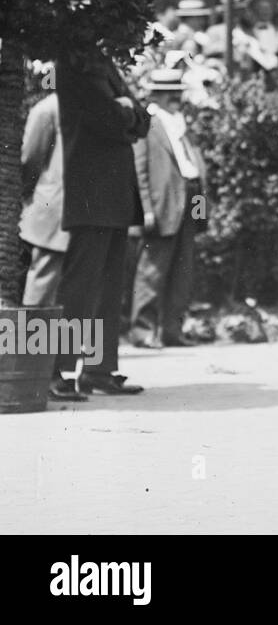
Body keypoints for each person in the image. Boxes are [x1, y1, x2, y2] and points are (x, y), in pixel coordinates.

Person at [53, 50, 153, 399]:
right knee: (80, 290)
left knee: (106, 288)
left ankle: (97, 369)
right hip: (92, 194)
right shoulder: (75, 62)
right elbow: (112, 118)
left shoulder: (97, 61)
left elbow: (143, 119)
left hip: (110, 194)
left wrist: (127, 110)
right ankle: (58, 371)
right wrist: (127, 109)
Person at [128, 68, 206, 349]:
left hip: (190, 198)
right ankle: (143, 331)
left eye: (178, 91)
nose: (175, 97)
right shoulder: (147, 123)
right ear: (156, 95)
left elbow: (194, 166)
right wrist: (145, 209)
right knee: (152, 270)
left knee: (183, 270)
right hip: (162, 204)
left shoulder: (181, 123)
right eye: (168, 92)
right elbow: (139, 171)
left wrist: (201, 212)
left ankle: (172, 330)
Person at [19, 90, 68, 308]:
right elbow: (31, 159)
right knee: (45, 279)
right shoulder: (48, 109)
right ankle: (33, 340)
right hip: (54, 206)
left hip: (69, 207)